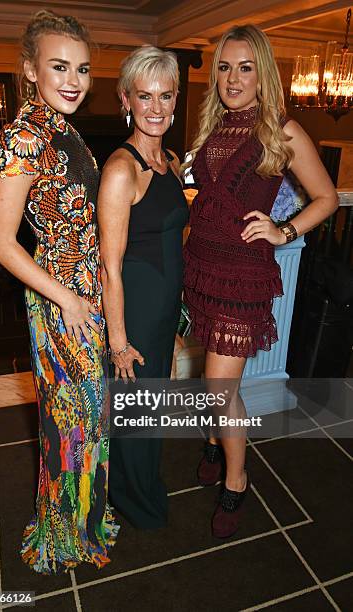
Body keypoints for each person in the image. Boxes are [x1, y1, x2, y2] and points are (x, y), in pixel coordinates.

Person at [182, 24, 338, 539]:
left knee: (220, 385)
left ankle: (237, 478)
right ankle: (212, 440)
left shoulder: (282, 131)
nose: (233, 78)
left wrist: (283, 229)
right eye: (224, 67)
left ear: (263, 73)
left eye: (245, 67)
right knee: (211, 374)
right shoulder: (212, 127)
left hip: (243, 275)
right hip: (202, 266)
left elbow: (327, 198)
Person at [0, 10, 118, 574]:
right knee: (70, 419)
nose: (74, 80)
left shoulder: (62, 128)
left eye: (83, 69)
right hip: (60, 299)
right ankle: (64, 534)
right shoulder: (23, 134)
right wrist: (64, 297)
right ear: (29, 70)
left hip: (84, 293)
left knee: (86, 417)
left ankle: (82, 519)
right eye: (59, 67)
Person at [98, 46, 189, 529]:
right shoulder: (120, 169)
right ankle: (132, 499)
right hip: (133, 311)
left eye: (165, 96)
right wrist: (118, 343)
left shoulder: (170, 160)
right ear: (126, 100)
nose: (156, 108)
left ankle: (142, 483)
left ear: (175, 102)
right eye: (144, 96)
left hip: (163, 307)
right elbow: (109, 266)